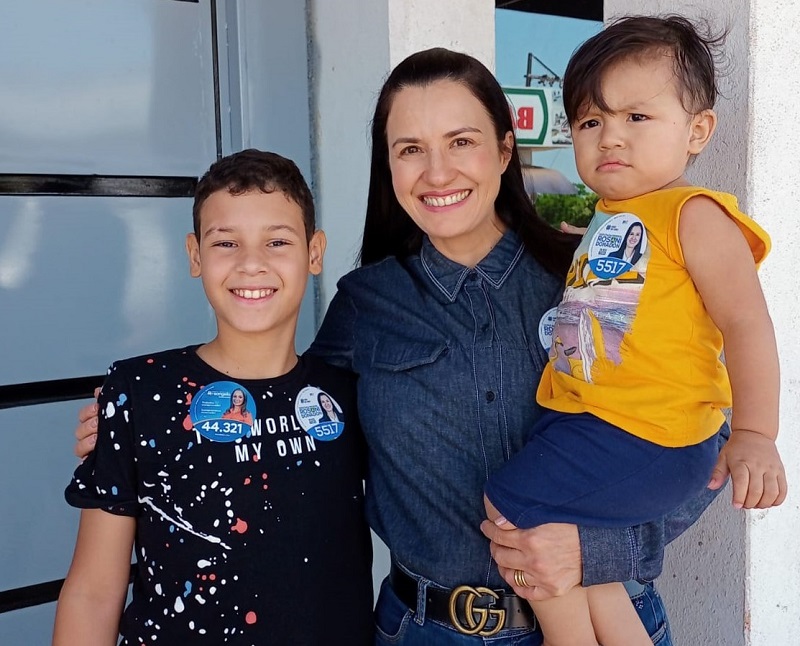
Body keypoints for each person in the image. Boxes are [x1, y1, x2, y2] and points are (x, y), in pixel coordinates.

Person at [72, 47, 734, 645]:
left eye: (461, 141)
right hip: (426, 631)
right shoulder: (367, 304)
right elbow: (288, 405)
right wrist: (148, 412)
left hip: (599, 618)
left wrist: (598, 552)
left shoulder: (591, 276)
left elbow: (698, 436)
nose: (437, 171)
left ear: (505, 150)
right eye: (410, 148)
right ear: (387, 165)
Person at [483, 15, 786, 646]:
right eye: (590, 122)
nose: (610, 137)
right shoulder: (611, 217)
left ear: (697, 130)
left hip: (647, 433)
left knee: (512, 502)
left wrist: (756, 434)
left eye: (636, 117)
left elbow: (747, 323)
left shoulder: (693, 215)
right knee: (589, 565)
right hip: (594, 422)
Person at [53, 150, 374, 645]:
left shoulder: (349, 394)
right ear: (195, 255)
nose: (251, 264)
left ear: (314, 254)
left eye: (277, 241)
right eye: (226, 242)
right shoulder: (139, 393)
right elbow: (93, 592)